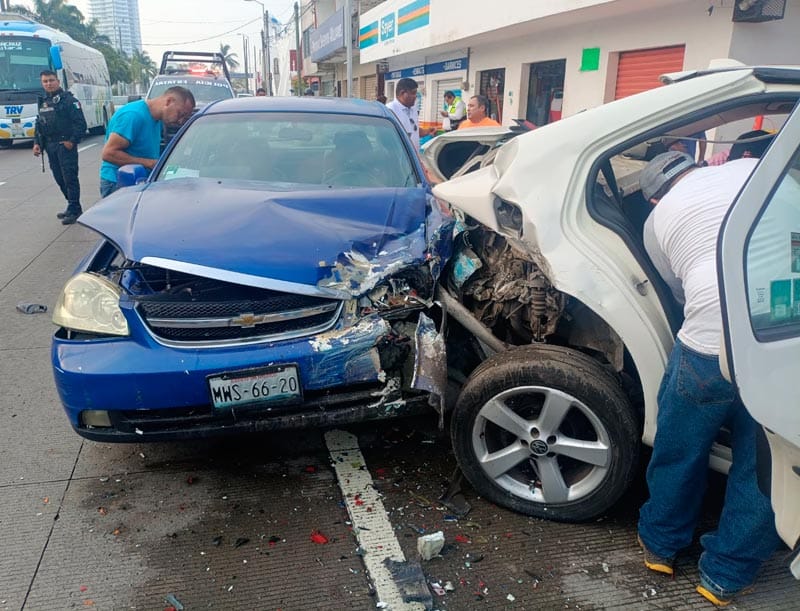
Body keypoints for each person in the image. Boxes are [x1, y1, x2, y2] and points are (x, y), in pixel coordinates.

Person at [637, 150, 781, 607]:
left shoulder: (656, 223)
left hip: (708, 343)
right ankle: (725, 574)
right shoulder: (753, 168)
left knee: (679, 446)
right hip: (785, 336)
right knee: (764, 466)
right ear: (701, 167)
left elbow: (678, 288)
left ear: (656, 198)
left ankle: (661, 545)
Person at [99, 86, 194, 198]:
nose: (180, 121)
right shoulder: (133, 116)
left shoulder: (157, 120)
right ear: (169, 101)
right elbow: (108, 153)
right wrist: (150, 163)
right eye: (180, 114)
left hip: (141, 182)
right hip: (119, 183)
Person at [32, 70, 87, 225]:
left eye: (51, 80)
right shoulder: (43, 101)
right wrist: (37, 143)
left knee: (69, 178)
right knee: (59, 177)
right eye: (45, 81)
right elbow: (39, 124)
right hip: (50, 145)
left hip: (65, 145)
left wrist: (72, 141)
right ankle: (72, 206)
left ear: (58, 81)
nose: (48, 84)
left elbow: (80, 124)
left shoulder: (69, 101)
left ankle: (75, 209)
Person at [385, 77, 435, 151]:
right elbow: (385, 138)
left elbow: (414, 130)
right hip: (399, 157)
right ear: (402, 93)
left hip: (413, 156)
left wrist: (427, 131)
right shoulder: (389, 110)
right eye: (413, 93)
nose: (416, 96)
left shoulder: (413, 109)